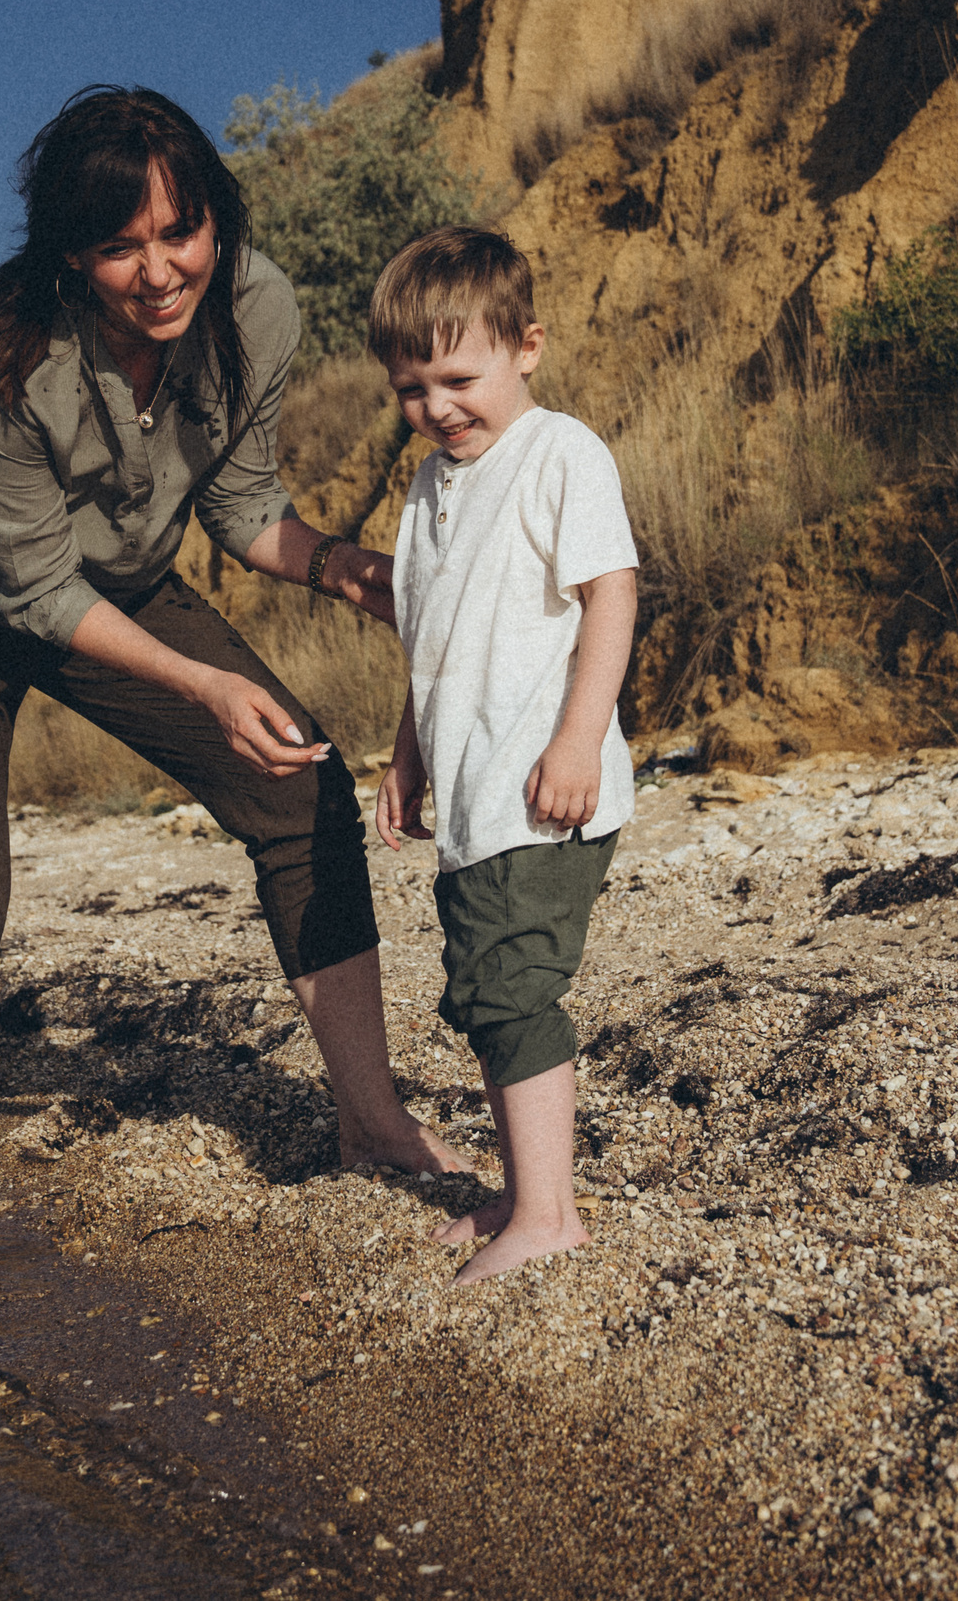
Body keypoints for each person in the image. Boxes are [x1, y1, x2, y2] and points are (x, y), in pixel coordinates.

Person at [0, 85, 462, 1315]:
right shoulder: (4, 362)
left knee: (301, 787)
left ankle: (371, 1121)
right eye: (119, 246)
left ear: (216, 217)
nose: (160, 273)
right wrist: (204, 682)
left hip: (105, 578)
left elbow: (240, 504)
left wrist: (343, 568)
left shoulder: (256, 307)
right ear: (69, 253)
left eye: (181, 231)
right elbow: (35, 591)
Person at [369, 225, 640, 1285]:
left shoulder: (559, 452)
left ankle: (550, 1216)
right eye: (411, 388)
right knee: (484, 987)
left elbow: (610, 593)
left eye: (458, 378)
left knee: (514, 989)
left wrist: (578, 737)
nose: (437, 406)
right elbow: (431, 643)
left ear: (526, 348)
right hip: (475, 797)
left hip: (541, 788)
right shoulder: (429, 491)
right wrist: (406, 756)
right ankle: (526, 1193)